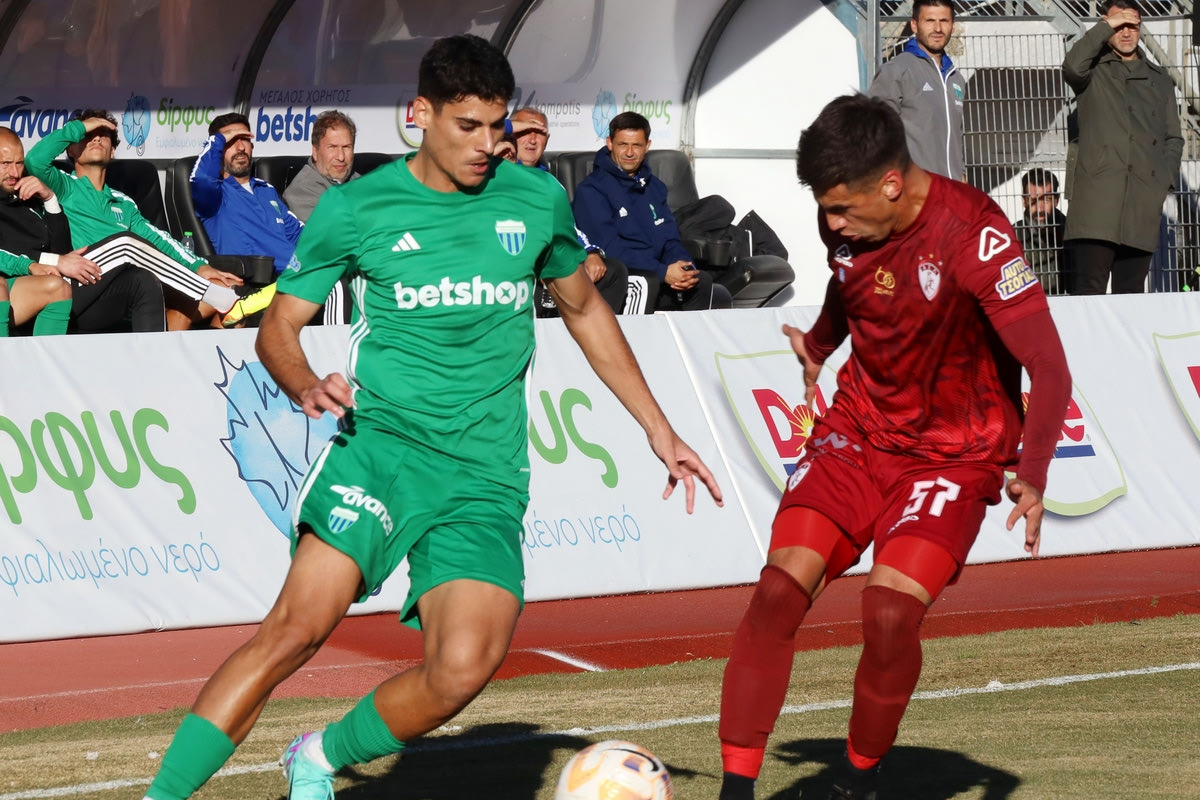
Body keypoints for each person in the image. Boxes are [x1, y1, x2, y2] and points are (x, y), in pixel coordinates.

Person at [142, 34, 723, 800]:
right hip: (381, 453)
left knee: (462, 669)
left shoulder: (534, 199)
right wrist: (304, 383)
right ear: (420, 114)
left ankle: (318, 755)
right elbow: (277, 328)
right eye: (467, 125)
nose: (486, 144)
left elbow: (584, 310)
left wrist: (658, 427)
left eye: (496, 125)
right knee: (294, 632)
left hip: (484, 474)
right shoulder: (357, 207)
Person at [716, 94, 1071, 800]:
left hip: (955, 453)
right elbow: (848, 286)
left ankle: (856, 781)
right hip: (857, 431)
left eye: (842, 209)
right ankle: (735, 791)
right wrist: (819, 345)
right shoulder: (845, 219)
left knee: (887, 614)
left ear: (890, 184)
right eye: (824, 209)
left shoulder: (975, 234)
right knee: (777, 592)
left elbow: (1050, 366)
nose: (831, 224)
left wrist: (1032, 473)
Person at [25, 109, 242, 331]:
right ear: (71, 149)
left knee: (228, 287)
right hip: (81, 282)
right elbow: (35, 160)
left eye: (103, 134)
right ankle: (212, 293)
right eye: (88, 134)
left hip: (123, 287)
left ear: (113, 150)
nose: (96, 138)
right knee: (126, 243)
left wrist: (198, 266)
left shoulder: (124, 203)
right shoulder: (63, 186)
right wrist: (79, 127)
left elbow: (157, 239)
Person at [1062, 0, 1182, 295]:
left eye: (1133, 25)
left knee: (1130, 296)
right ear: (1106, 25)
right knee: (1088, 294)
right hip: (1096, 203)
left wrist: (1162, 179)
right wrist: (1105, 27)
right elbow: (1071, 67)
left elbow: (1173, 137)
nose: (1126, 32)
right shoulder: (1092, 69)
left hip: (1142, 202)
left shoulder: (1159, 79)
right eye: (1119, 25)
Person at [0, 126, 166, 333]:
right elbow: (9, 251)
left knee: (142, 281)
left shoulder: (27, 196)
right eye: (5, 164)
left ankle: (153, 354)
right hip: (20, 286)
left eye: (19, 163)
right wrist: (48, 262)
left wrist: (50, 199)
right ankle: (201, 288)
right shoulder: (66, 186)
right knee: (125, 245)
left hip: (57, 285)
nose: (14, 173)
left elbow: (61, 249)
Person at [573, 111, 720, 311]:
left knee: (700, 281)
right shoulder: (591, 190)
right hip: (626, 275)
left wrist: (684, 267)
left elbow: (670, 240)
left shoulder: (655, 187)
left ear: (647, 146)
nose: (629, 152)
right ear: (610, 143)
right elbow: (609, 249)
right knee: (647, 282)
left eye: (636, 145)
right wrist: (662, 271)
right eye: (623, 144)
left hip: (658, 271)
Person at [506, 106, 632, 316]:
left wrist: (590, 252)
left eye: (539, 133)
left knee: (613, 270)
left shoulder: (551, 182)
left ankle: (592, 333)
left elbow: (568, 227)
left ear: (547, 140)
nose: (532, 140)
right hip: (516, 264)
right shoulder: (495, 175)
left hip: (556, 262)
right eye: (524, 131)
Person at [868, 0, 966, 181]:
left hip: (951, 190)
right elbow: (876, 135)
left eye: (944, 21)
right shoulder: (896, 70)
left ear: (952, 26)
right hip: (915, 191)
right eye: (930, 21)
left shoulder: (956, 79)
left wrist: (961, 177)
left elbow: (955, 138)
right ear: (914, 25)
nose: (938, 28)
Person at [282, 110, 359, 223]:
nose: (341, 157)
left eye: (346, 147)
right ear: (315, 151)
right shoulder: (302, 192)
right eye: (332, 147)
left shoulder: (358, 180)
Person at [1013, 168, 1072, 294]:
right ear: (1024, 201)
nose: (1040, 209)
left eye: (1046, 200)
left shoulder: (1071, 232)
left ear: (1056, 200)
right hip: (1031, 304)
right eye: (1033, 200)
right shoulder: (1014, 236)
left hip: (1070, 302)